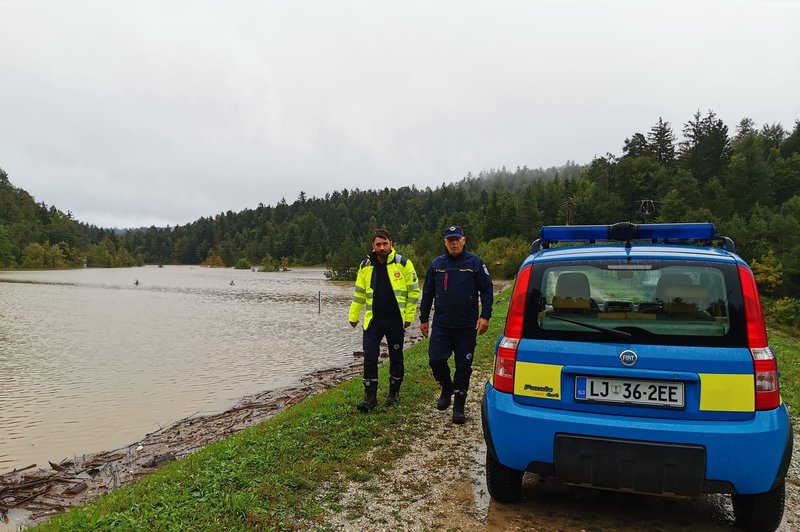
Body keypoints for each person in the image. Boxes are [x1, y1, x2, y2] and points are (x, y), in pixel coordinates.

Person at [419, 225, 493, 424]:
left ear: (463, 240)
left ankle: (459, 406)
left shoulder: (475, 263)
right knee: (436, 360)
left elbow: (486, 290)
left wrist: (485, 316)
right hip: (442, 325)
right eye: (450, 240)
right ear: (445, 242)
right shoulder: (436, 265)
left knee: (463, 366)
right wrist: (424, 319)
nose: (453, 243)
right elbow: (427, 294)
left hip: (467, 326)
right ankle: (446, 386)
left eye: (457, 239)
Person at [349, 229, 420, 412]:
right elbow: (359, 294)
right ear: (373, 246)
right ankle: (369, 398)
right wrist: (354, 316)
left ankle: (394, 393)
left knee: (396, 357)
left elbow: (413, 292)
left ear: (391, 244)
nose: (381, 247)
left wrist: (409, 317)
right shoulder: (365, 265)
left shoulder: (403, 263)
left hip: (396, 320)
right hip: (373, 321)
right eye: (378, 244)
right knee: (370, 357)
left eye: (385, 244)